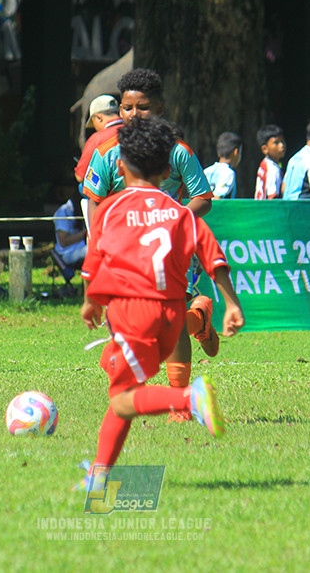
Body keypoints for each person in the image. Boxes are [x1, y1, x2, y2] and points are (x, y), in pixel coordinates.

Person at [74, 116, 244, 492]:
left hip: (135, 314)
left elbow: (95, 262)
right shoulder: (180, 212)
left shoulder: (111, 211)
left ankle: (190, 398)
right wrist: (232, 304)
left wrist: (91, 303)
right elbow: (215, 258)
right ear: (168, 169)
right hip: (172, 319)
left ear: (120, 165)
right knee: (123, 394)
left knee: (123, 400)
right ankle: (99, 477)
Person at [80, 69, 218, 407]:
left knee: (170, 316)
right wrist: (100, 244)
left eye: (142, 107)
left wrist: (174, 219)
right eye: (126, 108)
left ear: (158, 107)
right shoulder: (107, 152)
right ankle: (197, 319)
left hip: (167, 247)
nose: (133, 115)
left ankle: (179, 403)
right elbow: (95, 203)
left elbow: (202, 196)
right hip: (124, 251)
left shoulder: (178, 151)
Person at [73, 95, 123, 185]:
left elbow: (81, 177)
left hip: (110, 193)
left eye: (93, 122)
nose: (95, 128)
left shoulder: (97, 138)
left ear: (99, 117)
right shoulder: (134, 131)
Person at [203, 131, 242, 199]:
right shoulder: (228, 173)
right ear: (236, 152)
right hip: (216, 209)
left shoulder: (206, 171)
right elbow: (217, 198)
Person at [254, 124, 286, 200]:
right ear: (265, 149)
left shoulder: (264, 163)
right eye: (276, 143)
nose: (282, 145)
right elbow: (272, 197)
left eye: (282, 141)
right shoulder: (273, 169)